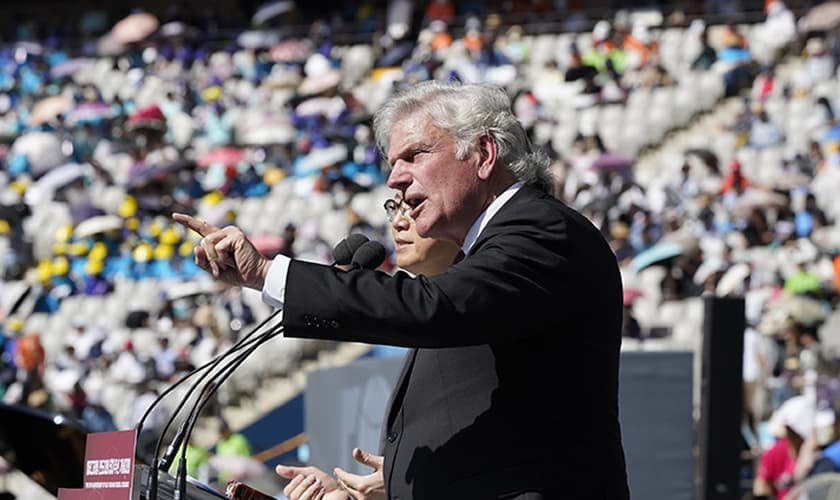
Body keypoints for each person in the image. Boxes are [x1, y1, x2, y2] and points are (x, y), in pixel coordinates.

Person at [174, 80, 629, 499]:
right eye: (393, 164)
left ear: (484, 154)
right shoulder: (480, 261)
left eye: (415, 155)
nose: (395, 178)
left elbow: (433, 310)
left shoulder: (541, 229)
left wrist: (268, 274)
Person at [276, 191, 459, 499]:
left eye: (412, 206)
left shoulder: (488, 313)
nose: (399, 222)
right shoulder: (426, 327)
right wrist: (350, 493)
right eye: (393, 208)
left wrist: (400, 481)